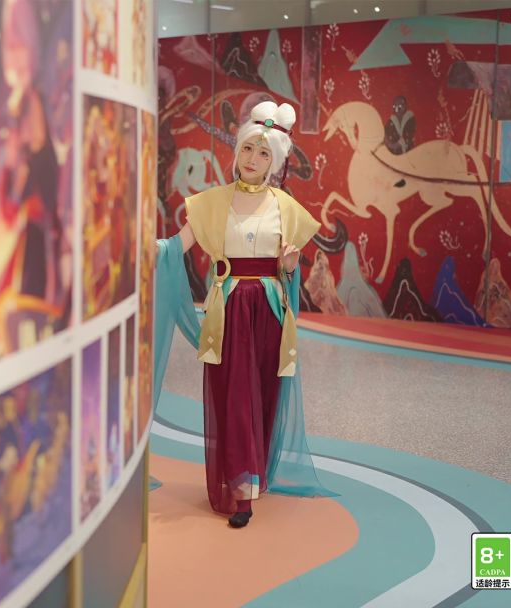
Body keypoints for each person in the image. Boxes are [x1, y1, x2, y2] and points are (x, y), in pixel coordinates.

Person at [152, 100, 337, 528]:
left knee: (262, 395)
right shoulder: (211, 203)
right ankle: (241, 491)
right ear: (237, 151)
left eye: (264, 153)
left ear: (276, 162)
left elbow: (288, 271)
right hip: (230, 309)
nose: (253, 159)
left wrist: (289, 267)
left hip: (269, 311)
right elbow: (176, 248)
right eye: (248, 149)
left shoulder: (286, 209)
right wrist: (149, 249)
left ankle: (253, 475)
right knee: (233, 398)